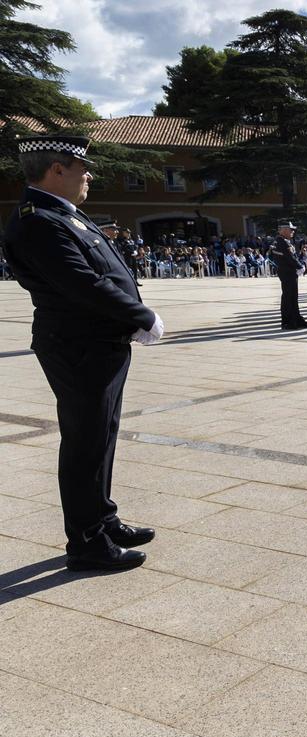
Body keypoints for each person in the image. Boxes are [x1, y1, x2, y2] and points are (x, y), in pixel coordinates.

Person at [4, 135, 162, 570]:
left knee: (102, 435)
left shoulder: (62, 215)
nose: (88, 174)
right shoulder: (39, 220)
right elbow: (80, 282)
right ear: (56, 169)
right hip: (78, 345)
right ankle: (87, 542)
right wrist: (141, 315)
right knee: (85, 442)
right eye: (80, 167)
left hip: (97, 342)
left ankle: (102, 518)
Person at [270, 221, 307, 330]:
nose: (293, 231)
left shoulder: (280, 241)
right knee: (289, 297)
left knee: (292, 296)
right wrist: (300, 266)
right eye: (291, 230)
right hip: (288, 272)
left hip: (287, 271)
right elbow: (290, 257)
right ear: (284, 230)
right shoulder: (283, 242)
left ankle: (296, 319)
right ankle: (287, 322)